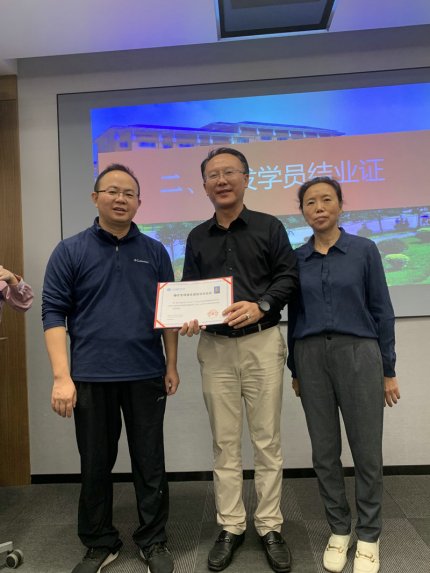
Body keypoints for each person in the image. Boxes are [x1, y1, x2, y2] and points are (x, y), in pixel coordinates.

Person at [42, 164, 179, 573]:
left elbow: (168, 314)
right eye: (112, 191)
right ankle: (100, 542)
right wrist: (61, 377)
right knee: (95, 463)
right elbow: (53, 313)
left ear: (139, 202)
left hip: (146, 373)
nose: (120, 199)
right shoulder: (70, 250)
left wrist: (172, 364)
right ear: (95, 197)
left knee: (150, 462)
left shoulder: (155, 251)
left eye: (129, 193)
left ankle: (152, 540)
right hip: (90, 376)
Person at [180, 147, 298, 573]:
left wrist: (261, 304)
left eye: (230, 172)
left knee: (267, 441)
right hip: (214, 347)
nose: (222, 180)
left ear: (246, 178)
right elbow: (189, 289)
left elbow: (289, 276)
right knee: (224, 443)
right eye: (213, 175)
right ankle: (230, 526)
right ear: (204, 186)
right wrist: (187, 316)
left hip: (261, 343)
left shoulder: (270, 226)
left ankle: (269, 526)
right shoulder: (197, 237)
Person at [287, 176, 400, 573]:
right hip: (310, 356)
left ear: (340, 204)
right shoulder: (296, 258)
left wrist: (388, 370)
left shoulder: (364, 250)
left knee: (366, 450)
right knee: (324, 450)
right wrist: (295, 368)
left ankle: (368, 534)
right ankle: (339, 529)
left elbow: (382, 310)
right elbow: (294, 316)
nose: (319, 207)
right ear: (302, 211)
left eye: (326, 200)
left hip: (359, 353)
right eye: (310, 202)